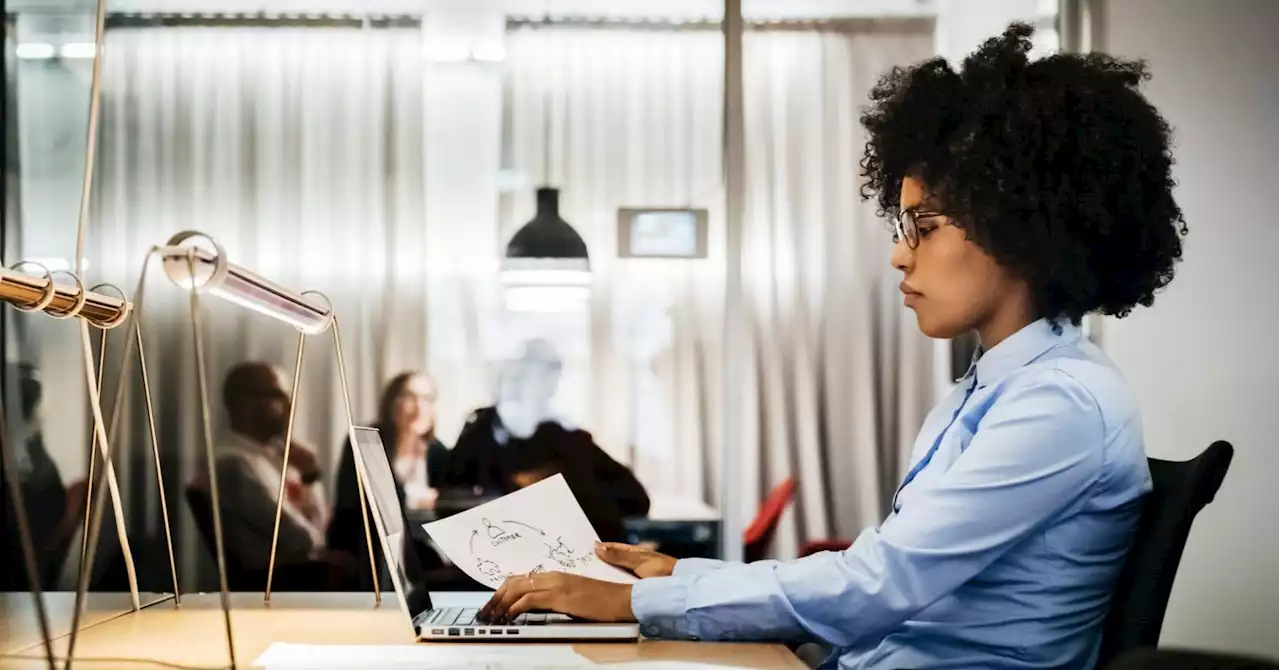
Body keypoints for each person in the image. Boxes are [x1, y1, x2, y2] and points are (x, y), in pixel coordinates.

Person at [479, 23, 1187, 670]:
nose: (899, 256)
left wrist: (632, 601)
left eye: (924, 226)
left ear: (1021, 226)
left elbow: (877, 586)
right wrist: (680, 576)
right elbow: (877, 575)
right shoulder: (995, 389)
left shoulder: (1059, 405)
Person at [444, 339, 650, 542]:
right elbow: (450, 502)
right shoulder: (482, 432)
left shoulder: (568, 439)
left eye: (550, 379)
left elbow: (636, 499)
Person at [328, 371, 452, 586]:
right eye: (410, 397)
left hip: (419, 549)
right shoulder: (366, 443)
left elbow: (448, 502)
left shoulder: (438, 452)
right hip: (366, 548)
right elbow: (351, 506)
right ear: (391, 402)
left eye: (427, 399)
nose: (419, 406)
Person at [210, 362, 328, 572]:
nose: (290, 406)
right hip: (281, 587)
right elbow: (306, 540)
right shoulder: (236, 464)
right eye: (278, 395)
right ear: (244, 404)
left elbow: (319, 530)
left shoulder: (272, 457)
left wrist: (309, 474)